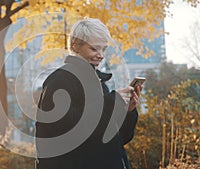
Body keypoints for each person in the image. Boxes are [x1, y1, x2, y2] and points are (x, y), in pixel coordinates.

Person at [35, 18, 142, 169]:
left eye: (104, 49)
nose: (101, 55)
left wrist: (127, 111)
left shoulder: (99, 84)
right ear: (75, 46)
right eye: (94, 48)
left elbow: (117, 139)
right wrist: (112, 103)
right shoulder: (59, 81)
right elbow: (66, 132)